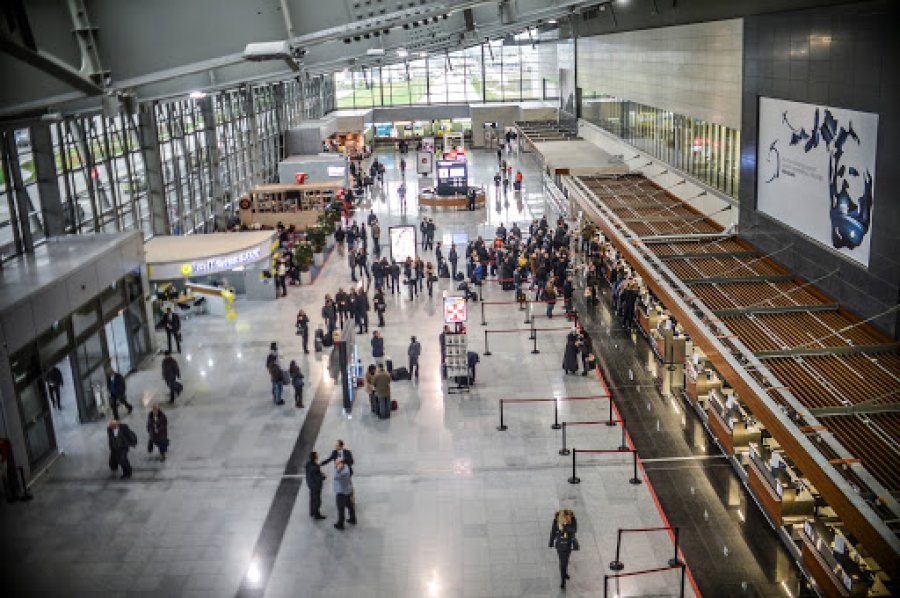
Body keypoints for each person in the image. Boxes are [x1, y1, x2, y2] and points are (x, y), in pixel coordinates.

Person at [549, 509, 578, 589]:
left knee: (566, 560)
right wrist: (551, 542)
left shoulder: (572, 520)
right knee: (562, 563)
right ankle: (563, 580)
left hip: (568, 545)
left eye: (566, 518)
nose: (565, 519)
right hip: (560, 546)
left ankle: (564, 573)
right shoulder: (556, 521)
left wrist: (565, 526)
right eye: (563, 518)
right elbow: (553, 532)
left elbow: (574, 530)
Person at [332, 457, 356, 530]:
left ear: (341, 463)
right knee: (350, 506)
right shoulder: (346, 467)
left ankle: (340, 524)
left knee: (340, 509)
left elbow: (335, 477)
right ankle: (353, 519)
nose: (335, 464)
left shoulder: (342, 472)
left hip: (341, 493)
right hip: (347, 491)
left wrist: (337, 469)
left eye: (337, 463)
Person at [306, 452, 327, 520]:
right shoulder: (315, 467)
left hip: (310, 484)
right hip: (316, 486)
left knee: (312, 499)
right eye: (317, 455)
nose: (318, 456)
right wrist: (323, 476)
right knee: (317, 501)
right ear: (315, 457)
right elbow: (318, 478)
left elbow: (311, 474)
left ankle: (312, 512)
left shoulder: (308, 464)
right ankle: (316, 514)